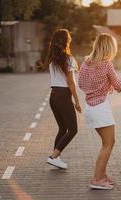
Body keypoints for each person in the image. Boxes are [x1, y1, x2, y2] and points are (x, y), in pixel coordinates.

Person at [78, 33, 121, 190]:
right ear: (109, 47)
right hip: (101, 108)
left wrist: (97, 87)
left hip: (90, 108)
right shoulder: (107, 64)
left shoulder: (85, 63)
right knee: (108, 144)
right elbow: (119, 85)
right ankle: (97, 179)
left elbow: (81, 84)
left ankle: (103, 176)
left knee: (106, 143)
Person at [44, 29, 81, 169]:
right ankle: (53, 157)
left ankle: (55, 158)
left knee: (63, 128)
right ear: (66, 41)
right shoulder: (68, 58)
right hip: (63, 95)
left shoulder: (53, 59)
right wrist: (77, 101)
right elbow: (70, 83)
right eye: (69, 38)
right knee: (73, 129)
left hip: (53, 96)